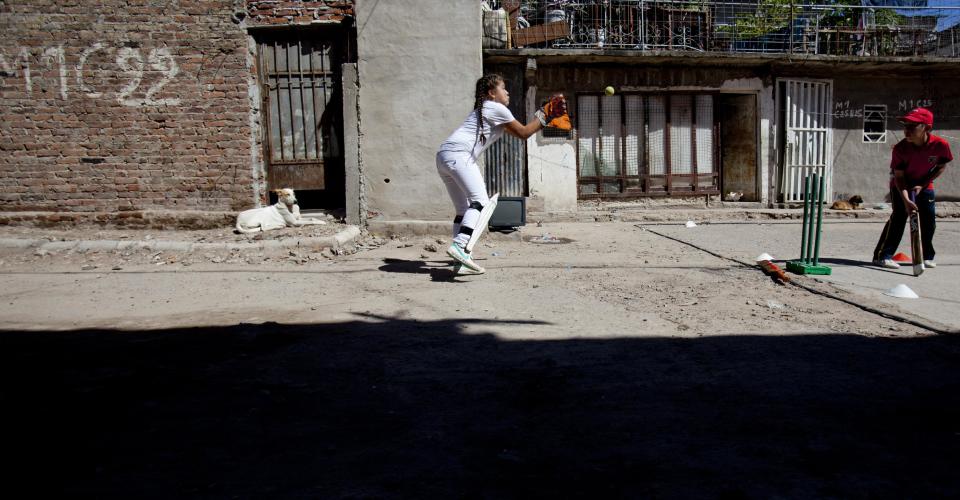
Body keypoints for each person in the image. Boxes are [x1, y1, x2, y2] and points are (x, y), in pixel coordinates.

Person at [436, 74, 566, 274]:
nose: (507, 92)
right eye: (503, 88)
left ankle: (459, 260)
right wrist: (546, 114)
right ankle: (460, 246)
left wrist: (544, 115)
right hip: (459, 156)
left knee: (463, 211)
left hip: (444, 156)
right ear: (491, 93)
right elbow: (524, 133)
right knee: (479, 202)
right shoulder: (496, 108)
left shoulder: (486, 111)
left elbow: (522, 132)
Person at [872, 107, 952, 269]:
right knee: (899, 217)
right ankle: (883, 256)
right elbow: (899, 177)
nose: (906, 130)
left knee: (928, 220)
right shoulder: (900, 148)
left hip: (924, 184)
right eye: (905, 126)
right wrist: (906, 199)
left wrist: (922, 185)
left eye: (912, 126)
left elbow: (941, 166)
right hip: (901, 186)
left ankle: (927, 256)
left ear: (926, 128)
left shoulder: (940, 145)